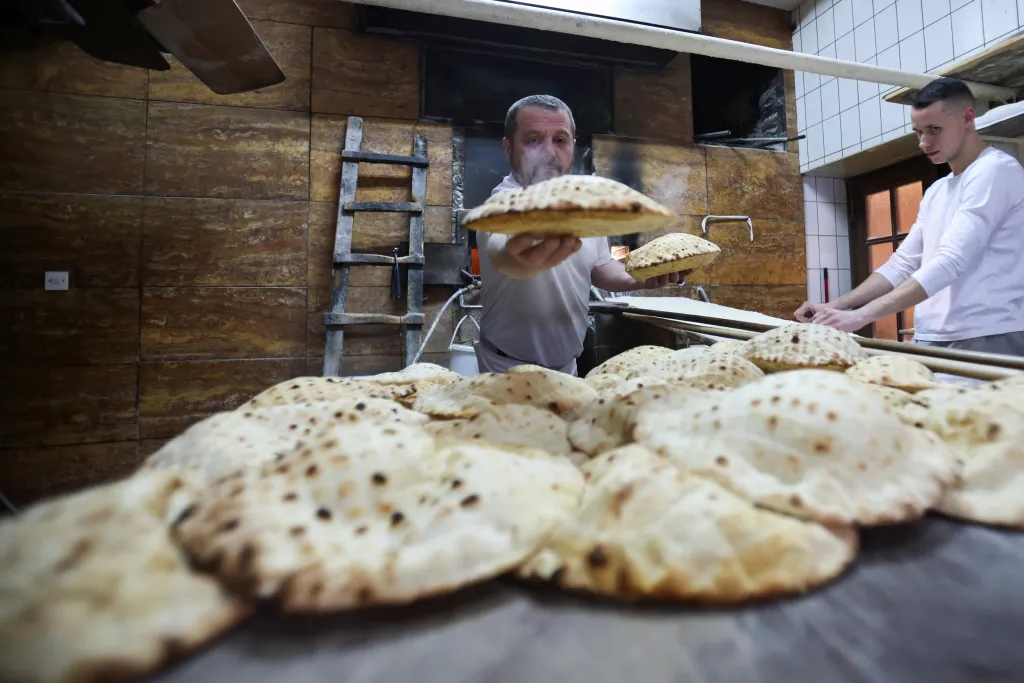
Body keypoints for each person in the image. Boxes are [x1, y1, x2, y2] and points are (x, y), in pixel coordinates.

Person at [794, 77, 1024, 356]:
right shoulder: (938, 191)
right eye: (918, 132)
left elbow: (952, 261)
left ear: (968, 117)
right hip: (931, 336)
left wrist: (862, 316)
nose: (924, 142)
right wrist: (838, 306)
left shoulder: (995, 170)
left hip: (987, 334)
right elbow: (901, 264)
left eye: (934, 129)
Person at [474, 94, 692, 375]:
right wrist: (517, 255)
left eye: (560, 140)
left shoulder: (583, 206)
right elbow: (504, 248)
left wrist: (641, 276)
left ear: (573, 146)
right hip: (506, 370)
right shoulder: (501, 206)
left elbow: (601, 270)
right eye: (533, 140)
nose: (549, 152)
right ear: (508, 148)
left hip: (568, 369)